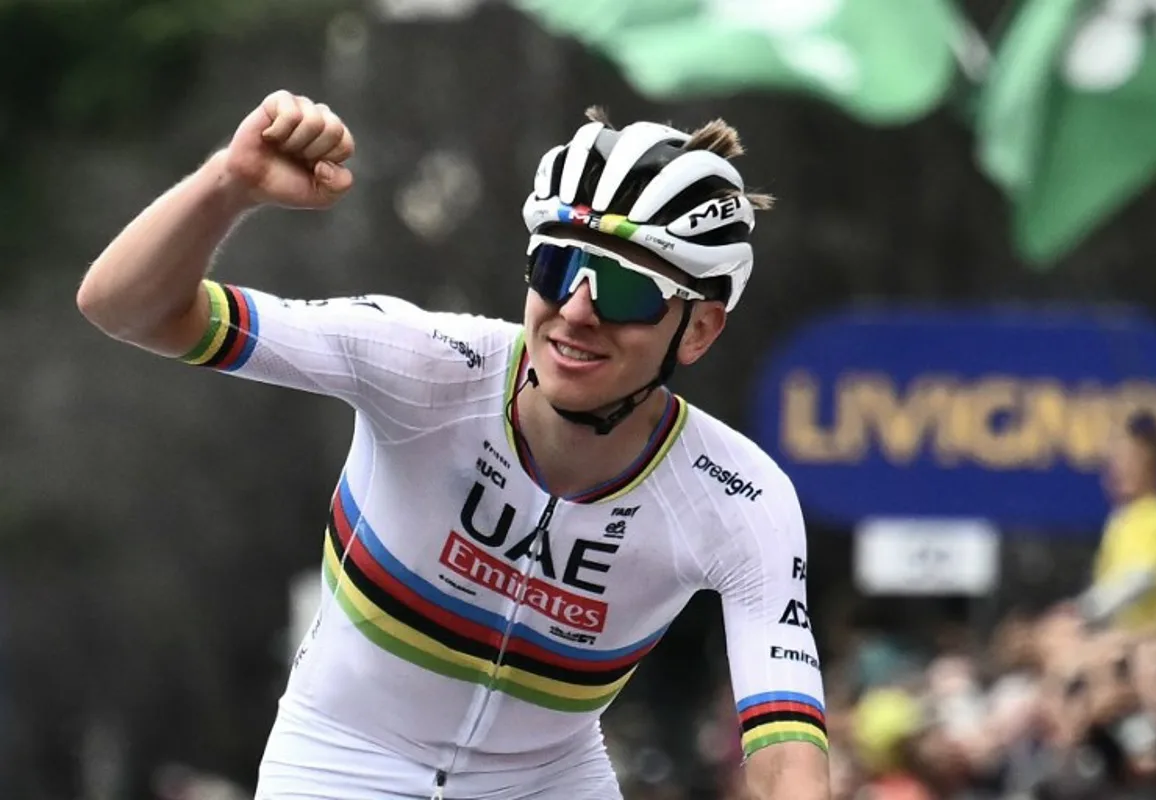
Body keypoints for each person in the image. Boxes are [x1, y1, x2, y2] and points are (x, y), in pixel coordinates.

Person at [76, 91, 829, 800]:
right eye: (557, 266)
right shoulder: (422, 362)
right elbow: (124, 308)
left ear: (696, 330)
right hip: (342, 760)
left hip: (548, 782)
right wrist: (229, 184)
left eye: (625, 290)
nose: (576, 312)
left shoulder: (739, 496)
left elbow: (786, 753)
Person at [1078, 412, 1156, 633]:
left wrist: (1082, 612)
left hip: (1150, 642)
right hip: (1116, 638)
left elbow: (1140, 579)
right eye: (1115, 460)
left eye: (1129, 460)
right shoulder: (1120, 520)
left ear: (1153, 466)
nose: (1118, 469)